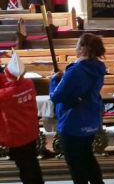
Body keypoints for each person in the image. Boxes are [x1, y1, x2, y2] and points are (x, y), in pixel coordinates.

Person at [49, 33, 107, 184]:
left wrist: (54, 80)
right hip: (90, 119)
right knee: (88, 158)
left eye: (77, 44)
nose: (75, 47)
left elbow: (56, 96)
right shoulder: (98, 68)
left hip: (72, 122)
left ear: (83, 48)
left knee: (76, 165)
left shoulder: (75, 70)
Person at [0, 53, 44, 184]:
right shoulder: (28, 83)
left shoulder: (6, 94)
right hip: (30, 132)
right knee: (32, 164)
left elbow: (6, 87)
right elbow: (9, 81)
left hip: (17, 137)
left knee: (26, 169)